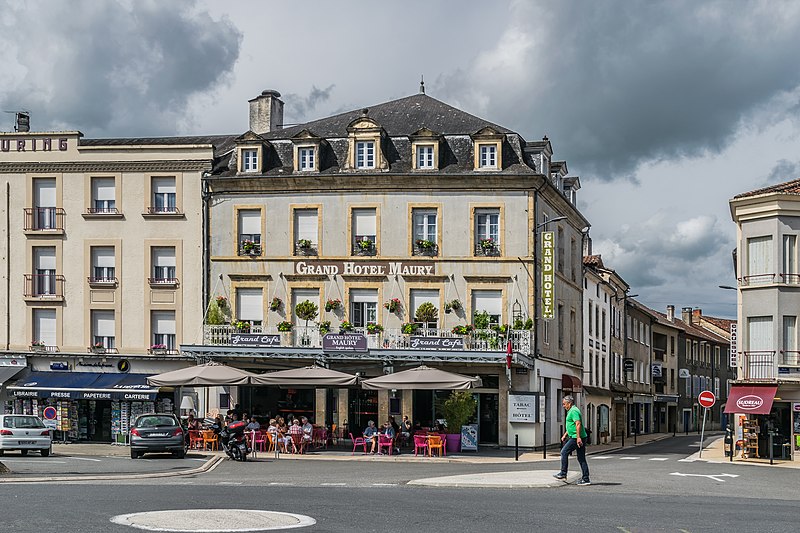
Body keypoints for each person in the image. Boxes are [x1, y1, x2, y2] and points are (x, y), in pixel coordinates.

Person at [553, 395, 590, 485]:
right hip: (576, 436)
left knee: (564, 452)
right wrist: (565, 434)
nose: (563, 406)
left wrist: (578, 438)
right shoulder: (572, 410)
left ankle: (563, 473)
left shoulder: (573, 411)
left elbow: (578, 424)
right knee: (581, 458)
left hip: (575, 437)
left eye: (564, 404)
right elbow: (572, 425)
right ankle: (586, 478)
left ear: (569, 403)